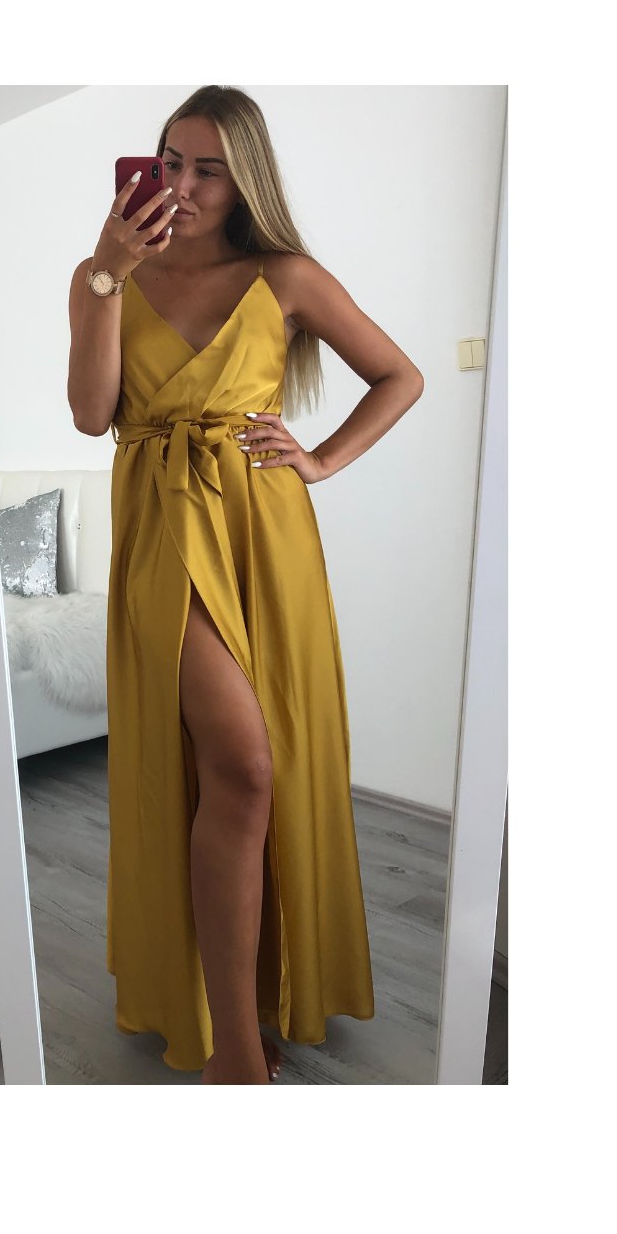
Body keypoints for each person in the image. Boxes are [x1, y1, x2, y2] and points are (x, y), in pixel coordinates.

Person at [67, 85, 424, 1084]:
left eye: (207, 170)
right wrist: (108, 274)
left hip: (263, 535)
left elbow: (399, 376)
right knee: (245, 764)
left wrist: (321, 459)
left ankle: (251, 1005)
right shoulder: (100, 277)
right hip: (161, 533)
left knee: (251, 770)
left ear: (245, 181)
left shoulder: (286, 277)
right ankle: (232, 1045)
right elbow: (92, 414)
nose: (181, 185)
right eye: (168, 161)